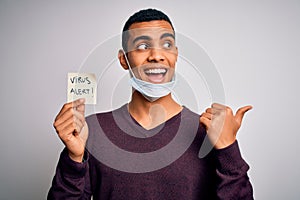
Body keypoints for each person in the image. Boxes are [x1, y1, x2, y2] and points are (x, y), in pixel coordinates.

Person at [48, 8, 254, 200]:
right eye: (143, 46)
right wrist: (74, 159)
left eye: (166, 45)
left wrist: (228, 149)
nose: (156, 56)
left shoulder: (209, 132)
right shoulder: (91, 130)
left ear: (175, 54)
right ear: (123, 60)